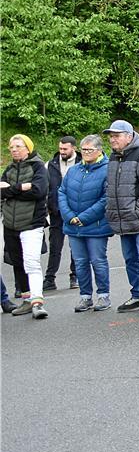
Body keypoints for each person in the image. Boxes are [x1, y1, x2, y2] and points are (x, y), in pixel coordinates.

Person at [103, 120, 139, 316]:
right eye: (111, 136)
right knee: (130, 259)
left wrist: (138, 211)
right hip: (122, 219)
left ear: (129, 136)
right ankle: (138, 295)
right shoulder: (113, 158)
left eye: (116, 136)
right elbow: (108, 187)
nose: (112, 139)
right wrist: (110, 209)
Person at [58, 134, 113, 312]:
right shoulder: (74, 170)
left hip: (96, 226)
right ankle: (85, 296)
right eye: (84, 149)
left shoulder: (107, 169)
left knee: (98, 260)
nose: (86, 153)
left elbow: (106, 198)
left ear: (99, 150)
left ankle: (103, 295)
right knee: (80, 262)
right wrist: (69, 216)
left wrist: (84, 218)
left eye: (90, 149)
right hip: (73, 226)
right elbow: (62, 192)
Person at [1, 134, 49, 319]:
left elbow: (39, 191)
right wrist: (22, 187)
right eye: (11, 147)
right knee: (17, 263)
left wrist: (10, 190)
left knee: (31, 262)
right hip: (10, 225)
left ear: (28, 148)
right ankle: (26, 299)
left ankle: (37, 301)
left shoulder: (37, 166)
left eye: (18, 146)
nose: (13, 149)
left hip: (31, 223)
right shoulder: (10, 168)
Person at [44, 136, 78, 291]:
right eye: (60, 149)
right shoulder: (50, 165)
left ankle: (75, 276)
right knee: (55, 247)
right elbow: (45, 188)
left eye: (65, 149)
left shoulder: (81, 163)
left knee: (75, 247)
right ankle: (50, 279)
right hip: (56, 213)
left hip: (75, 212)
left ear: (74, 148)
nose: (62, 152)